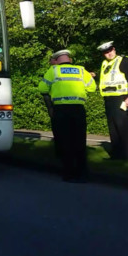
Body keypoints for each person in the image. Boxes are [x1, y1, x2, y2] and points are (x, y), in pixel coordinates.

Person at [38, 50, 97, 182]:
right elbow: (92, 88)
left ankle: (68, 173)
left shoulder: (53, 71)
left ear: (57, 60)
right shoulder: (81, 71)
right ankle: (82, 174)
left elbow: (42, 88)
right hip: (78, 109)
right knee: (80, 141)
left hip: (61, 110)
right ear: (69, 59)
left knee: (65, 141)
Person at [96, 41, 128, 162]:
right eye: (106, 52)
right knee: (113, 129)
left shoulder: (123, 60)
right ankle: (117, 156)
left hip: (121, 98)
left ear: (114, 49)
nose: (109, 54)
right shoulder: (104, 64)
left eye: (110, 50)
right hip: (109, 99)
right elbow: (105, 78)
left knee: (123, 128)